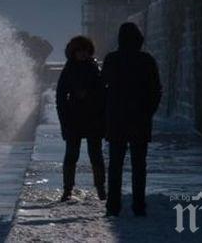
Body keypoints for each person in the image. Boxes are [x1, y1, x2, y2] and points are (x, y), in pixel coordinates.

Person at [101, 22, 161, 217]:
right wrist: (148, 112)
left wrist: (107, 113)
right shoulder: (147, 60)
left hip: (117, 119)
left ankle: (113, 206)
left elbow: (103, 88)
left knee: (115, 165)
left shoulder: (112, 59)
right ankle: (139, 205)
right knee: (139, 165)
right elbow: (156, 90)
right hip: (140, 120)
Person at [56, 35, 106, 202]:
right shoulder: (70, 69)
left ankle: (100, 189)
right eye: (80, 51)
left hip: (93, 118)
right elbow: (60, 97)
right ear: (74, 52)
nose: (83, 54)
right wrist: (64, 120)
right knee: (71, 155)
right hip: (74, 119)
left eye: (85, 51)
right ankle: (67, 189)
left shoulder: (94, 68)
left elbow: (102, 93)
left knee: (96, 155)